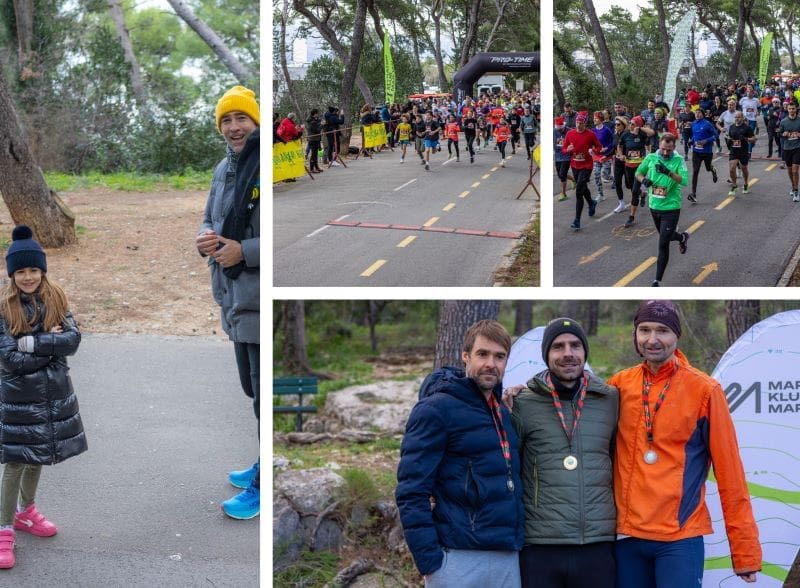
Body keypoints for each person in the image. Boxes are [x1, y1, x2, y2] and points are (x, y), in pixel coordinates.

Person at [609, 300, 762, 587]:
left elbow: (731, 475)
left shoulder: (705, 391)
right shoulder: (619, 385)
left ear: (676, 336)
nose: (652, 339)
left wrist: (745, 553)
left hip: (679, 540)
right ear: (635, 335)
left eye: (663, 330)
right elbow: (576, 405)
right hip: (627, 537)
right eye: (644, 330)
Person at [396, 320, 524, 586]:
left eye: (499, 356)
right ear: (465, 356)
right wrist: (431, 562)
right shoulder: (436, 409)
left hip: (507, 557)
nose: (491, 363)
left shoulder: (502, 411)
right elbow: (411, 490)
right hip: (458, 559)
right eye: (482, 354)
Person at [0, 225, 87, 569]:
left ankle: (26, 512)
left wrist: (33, 342)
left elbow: (73, 340)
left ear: (42, 270)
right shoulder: (5, 309)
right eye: (20, 271)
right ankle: (4, 529)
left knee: (37, 455)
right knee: (15, 462)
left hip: (51, 397)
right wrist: (51, 346)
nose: (28, 276)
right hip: (18, 398)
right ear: (12, 274)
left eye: (33, 269)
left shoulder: (56, 298)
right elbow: (10, 359)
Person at [511, 318, 618, 588]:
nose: (568, 353)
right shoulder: (522, 403)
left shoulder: (610, 400)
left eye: (575, 345)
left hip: (597, 544)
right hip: (540, 547)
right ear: (547, 355)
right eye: (558, 347)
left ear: (585, 352)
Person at [196, 85, 260, 520]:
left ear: (255, 122)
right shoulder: (223, 168)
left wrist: (246, 251)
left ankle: (263, 482)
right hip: (232, 299)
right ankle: (263, 460)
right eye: (226, 120)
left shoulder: (264, 167)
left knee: (262, 398)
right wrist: (204, 239)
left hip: (258, 299)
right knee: (250, 391)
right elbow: (209, 217)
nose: (234, 127)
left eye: (242, 119)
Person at [635, 133, 689, 286]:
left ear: (674, 147)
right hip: (654, 206)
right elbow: (638, 173)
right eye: (664, 149)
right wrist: (643, 179)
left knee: (663, 243)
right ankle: (682, 238)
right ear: (659, 144)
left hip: (671, 207)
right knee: (668, 235)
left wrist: (668, 172)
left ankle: (657, 281)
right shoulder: (651, 158)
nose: (666, 153)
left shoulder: (678, 160)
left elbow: (684, 181)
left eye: (669, 150)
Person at [563, 112, 603, 230]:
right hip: (575, 165)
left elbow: (599, 146)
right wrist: (567, 149)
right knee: (583, 186)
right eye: (577, 123)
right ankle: (591, 203)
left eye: (581, 123)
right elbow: (564, 149)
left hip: (586, 166)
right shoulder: (570, 133)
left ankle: (577, 220)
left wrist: (593, 150)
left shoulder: (590, 134)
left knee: (579, 191)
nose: (578, 125)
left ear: (585, 123)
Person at [618, 116, 654, 228]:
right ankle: (642, 194)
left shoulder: (642, 134)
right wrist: (621, 155)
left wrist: (640, 128)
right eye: (630, 124)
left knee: (634, 191)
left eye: (633, 124)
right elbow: (620, 145)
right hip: (628, 165)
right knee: (629, 185)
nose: (630, 125)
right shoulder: (625, 134)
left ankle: (631, 217)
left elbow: (651, 132)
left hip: (640, 167)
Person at [687, 109, 718, 203]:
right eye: (696, 113)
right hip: (696, 152)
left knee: (708, 168)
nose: (697, 114)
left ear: (703, 114)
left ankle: (713, 170)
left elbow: (715, 135)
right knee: (695, 171)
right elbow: (695, 136)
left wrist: (706, 141)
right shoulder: (693, 124)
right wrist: (691, 141)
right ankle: (693, 194)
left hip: (707, 151)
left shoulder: (707, 124)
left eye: (699, 113)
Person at [725, 111, 756, 197]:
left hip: (743, 151)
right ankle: (734, 186)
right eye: (735, 117)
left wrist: (746, 139)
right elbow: (729, 137)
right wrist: (729, 141)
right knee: (732, 168)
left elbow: (754, 139)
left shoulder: (747, 128)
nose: (737, 119)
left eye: (738, 117)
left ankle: (746, 184)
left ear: (742, 118)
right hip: (734, 151)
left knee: (744, 168)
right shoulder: (731, 127)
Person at [778, 101, 800, 201]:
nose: (791, 110)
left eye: (793, 108)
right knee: (790, 171)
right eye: (790, 109)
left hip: (797, 148)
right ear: (787, 109)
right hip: (787, 148)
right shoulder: (783, 121)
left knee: (795, 170)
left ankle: (796, 190)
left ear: (796, 109)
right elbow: (779, 133)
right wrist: (783, 134)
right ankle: (793, 185)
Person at [554, 117, 572, 202]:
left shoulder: (569, 131)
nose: (559, 130)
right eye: (557, 128)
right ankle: (574, 180)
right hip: (557, 156)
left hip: (566, 156)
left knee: (562, 174)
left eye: (560, 128)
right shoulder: (554, 131)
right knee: (560, 175)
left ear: (563, 126)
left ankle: (563, 194)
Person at [305, 109, 324, 173]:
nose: (318, 115)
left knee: (315, 154)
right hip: (313, 139)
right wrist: (321, 124)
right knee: (313, 154)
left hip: (315, 139)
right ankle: (311, 168)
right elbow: (316, 130)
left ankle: (316, 167)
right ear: (315, 114)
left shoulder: (313, 120)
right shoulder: (311, 122)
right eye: (317, 113)